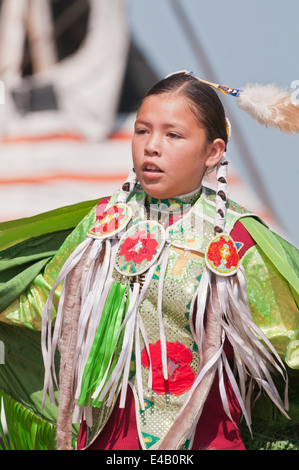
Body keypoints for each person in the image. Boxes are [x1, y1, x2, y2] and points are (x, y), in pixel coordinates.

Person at [0, 71, 299, 451]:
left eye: (173, 135)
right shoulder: (103, 228)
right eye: (142, 131)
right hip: (109, 444)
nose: (151, 147)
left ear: (213, 151)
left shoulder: (236, 242)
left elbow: (290, 341)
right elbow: (43, 307)